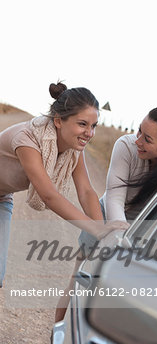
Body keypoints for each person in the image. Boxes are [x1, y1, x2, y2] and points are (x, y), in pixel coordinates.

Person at [41, 104, 157, 344]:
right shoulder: (126, 146)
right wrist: (116, 241)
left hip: (146, 225)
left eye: (147, 139)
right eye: (139, 131)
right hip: (109, 215)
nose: (137, 139)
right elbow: (114, 196)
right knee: (77, 279)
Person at [0, 81, 128, 288]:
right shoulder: (27, 139)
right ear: (59, 121)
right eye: (82, 124)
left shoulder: (73, 149)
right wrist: (97, 230)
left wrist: (103, 231)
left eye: (93, 126)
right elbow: (49, 195)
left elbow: (86, 191)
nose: (90, 133)